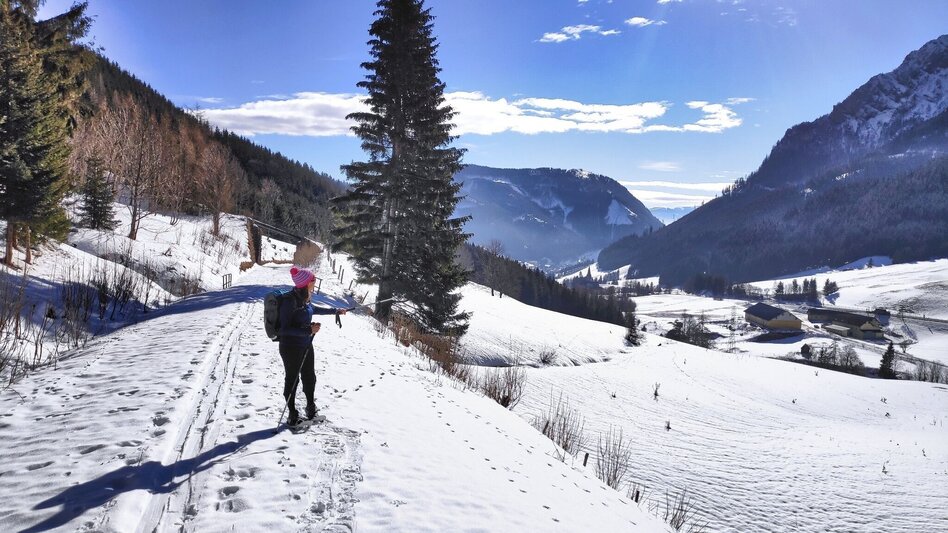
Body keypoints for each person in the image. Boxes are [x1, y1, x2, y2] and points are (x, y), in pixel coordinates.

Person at [278, 266, 346, 426]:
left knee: (310, 377)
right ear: (306, 283)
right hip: (290, 347)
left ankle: (310, 408)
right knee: (292, 380)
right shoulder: (289, 301)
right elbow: (283, 329)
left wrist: (336, 311)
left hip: (306, 344)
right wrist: (308, 330)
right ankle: (292, 415)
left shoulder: (305, 298)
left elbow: (313, 309)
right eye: (313, 280)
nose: (314, 282)